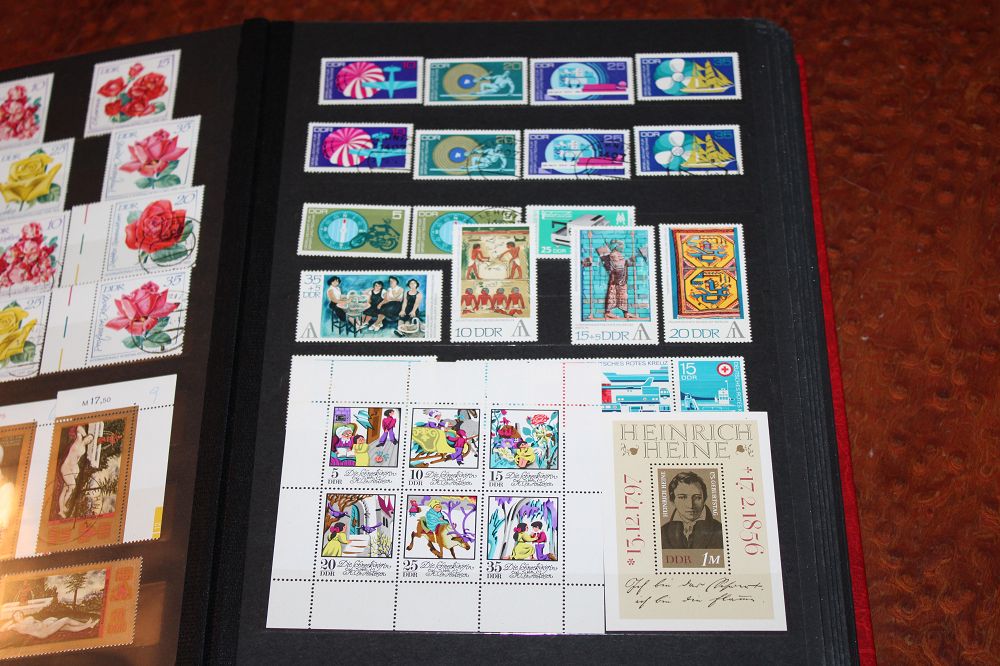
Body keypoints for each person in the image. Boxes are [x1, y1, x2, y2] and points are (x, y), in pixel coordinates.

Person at [660, 471, 723, 549]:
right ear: (672, 501)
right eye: (682, 497)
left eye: (697, 497)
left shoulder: (719, 530)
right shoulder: (663, 532)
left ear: (704, 499)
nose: (690, 505)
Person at [58, 426, 96, 519]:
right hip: (65, 466)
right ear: (86, 436)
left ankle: (61, 508)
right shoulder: (79, 439)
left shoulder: (83, 449)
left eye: (90, 440)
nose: (88, 440)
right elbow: (78, 427)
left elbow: (77, 460)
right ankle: (62, 509)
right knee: (72, 486)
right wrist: (85, 434)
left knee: (66, 488)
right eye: (89, 438)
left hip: (71, 469)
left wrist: (76, 471)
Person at [599, 240, 637, 319]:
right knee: (612, 295)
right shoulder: (613, 254)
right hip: (615, 279)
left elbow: (625, 264)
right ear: (616, 246)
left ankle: (626, 313)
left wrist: (631, 260)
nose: (623, 247)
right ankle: (607, 313)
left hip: (622, 279)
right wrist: (628, 261)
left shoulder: (619, 254)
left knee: (623, 296)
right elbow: (618, 265)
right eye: (621, 245)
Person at [0, 610, 98, 639]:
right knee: (66, 619)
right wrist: (11, 621)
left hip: (45, 627)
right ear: (14, 618)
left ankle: (88, 625)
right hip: (42, 632)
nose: (19, 614)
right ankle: (88, 625)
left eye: (20, 613)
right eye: (16, 614)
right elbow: (1, 629)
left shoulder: (29, 618)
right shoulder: (15, 626)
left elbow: (39, 622)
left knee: (66, 627)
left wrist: (47, 621)